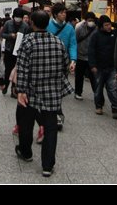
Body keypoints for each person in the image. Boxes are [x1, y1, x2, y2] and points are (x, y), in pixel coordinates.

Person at [15, 10, 74, 177]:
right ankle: (47, 165)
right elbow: (65, 65)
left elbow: (22, 68)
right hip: (52, 91)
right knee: (50, 128)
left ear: (32, 23)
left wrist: (21, 90)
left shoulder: (28, 41)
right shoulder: (57, 42)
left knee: (26, 123)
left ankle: (26, 152)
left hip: (31, 90)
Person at [46, 3, 77, 130]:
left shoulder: (69, 28)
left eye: (65, 12)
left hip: (63, 63)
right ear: (55, 14)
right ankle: (52, 112)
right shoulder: (47, 26)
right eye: (61, 12)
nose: (64, 14)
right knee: (49, 89)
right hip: (48, 62)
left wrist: (73, 60)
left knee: (58, 89)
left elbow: (73, 44)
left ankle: (57, 113)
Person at [88, 15, 117, 118]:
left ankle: (115, 107)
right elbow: (91, 51)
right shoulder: (95, 35)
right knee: (98, 88)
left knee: (112, 88)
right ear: (101, 26)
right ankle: (99, 105)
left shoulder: (114, 34)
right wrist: (92, 65)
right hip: (99, 66)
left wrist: (114, 23)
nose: (108, 27)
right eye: (106, 25)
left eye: (109, 24)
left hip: (111, 66)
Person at [0, 7, 30, 97]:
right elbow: (2, 34)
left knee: (17, 71)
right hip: (9, 50)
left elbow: (28, 38)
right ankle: (5, 85)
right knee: (8, 69)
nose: (18, 19)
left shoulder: (25, 26)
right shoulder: (8, 23)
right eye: (17, 17)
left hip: (19, 52)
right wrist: (10, 36)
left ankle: (14, 91)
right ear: (13, 16)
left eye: (20, 17)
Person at [73, 12, 98, 100]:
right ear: (85, 20)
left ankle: (97, 94)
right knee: (79, 76)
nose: (91, 22)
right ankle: (78, 92)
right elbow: (75, 40)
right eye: (89, 20)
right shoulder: (79, 27)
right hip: (80, 55)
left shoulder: (96, 28)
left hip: (91, 56)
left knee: (93, 76)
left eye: (92, 20)